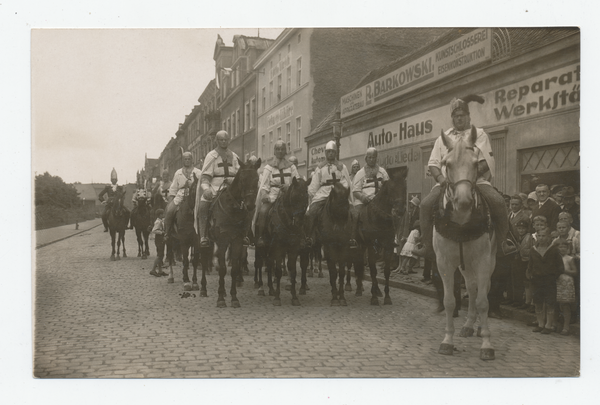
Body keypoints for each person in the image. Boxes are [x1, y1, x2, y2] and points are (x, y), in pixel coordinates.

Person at [420, 95, 509, 259]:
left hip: (476, 180)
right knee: (425, 205)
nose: (459, 118)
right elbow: (433, 163)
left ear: (469, 116)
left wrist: (467, 175)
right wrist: (441, 179)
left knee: (497, 201)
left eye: (462, 115)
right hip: (447, 182)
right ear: (452, 118)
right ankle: (426, 245)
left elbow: (485, 162)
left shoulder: (479, 134)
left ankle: (505, 242)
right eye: (455, 115)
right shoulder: (443, 138)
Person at [195, 130, 242, 248]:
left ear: (229, 141)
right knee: (203, 205)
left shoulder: (235, 156)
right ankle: (203, 235)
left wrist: (235, 180)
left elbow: (239, 173)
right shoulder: (211, 156)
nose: (223, 142)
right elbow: (205, 176)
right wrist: (206, 189)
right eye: (221, 139)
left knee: (246, 204)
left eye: (225, 139)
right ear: (216, 141)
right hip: (215, 186)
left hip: (232, 186)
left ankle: (246, 233)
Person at [305, 140, 354, 247]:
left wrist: (341, 190)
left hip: (338, 193)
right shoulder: (320, 167)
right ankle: (310, 237)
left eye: (332, 151)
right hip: (323, 193)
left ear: (336, 153)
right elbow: (314, 184)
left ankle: (351, 237)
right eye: (328, 151)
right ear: (325, 153)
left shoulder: (342, 167)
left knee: (352, 212)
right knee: (312, 212)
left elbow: (346, 181)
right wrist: (313, 197)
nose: (330, 153)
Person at [253, 141, 301, 248]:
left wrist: (289, 187)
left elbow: (297, 182)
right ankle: (261, 237)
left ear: (285, 151)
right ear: (274, 151)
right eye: (277, 149)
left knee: (300, 213)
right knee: (263, 211)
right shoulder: (268, 168)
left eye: (282, 149)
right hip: (273, 196)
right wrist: (265, 194)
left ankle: (302, 237)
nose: (280, 151)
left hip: (289, 197)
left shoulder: (291, 167)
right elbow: (264, 185)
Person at [527, 227, 563, 334]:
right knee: (538, 302)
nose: (541, 238)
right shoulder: (533, 250)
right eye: (539, 236)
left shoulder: (554, 250)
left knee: (550, 302)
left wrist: (553, 275)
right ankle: (540, 324)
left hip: (549, 280)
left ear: (548, 237)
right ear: (536, 237)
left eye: (544, 236)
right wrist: (530, 274)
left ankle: (548, 325)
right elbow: (530, 265)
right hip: (537, 280)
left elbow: (560, 267)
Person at [351, 147, 390, 247]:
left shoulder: (382, 172)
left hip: (378, 201)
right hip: (364, 201)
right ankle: (353, 239)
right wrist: (363, 198)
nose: (372, 160)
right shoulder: (360, 173)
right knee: (355, 215)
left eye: (374, 157)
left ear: (376, 158)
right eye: (369, 157)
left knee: (390, 215)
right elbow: (355, 190)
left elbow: (387, 187)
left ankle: (391, 239)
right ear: (366, 158)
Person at [164, 151, 202, 241]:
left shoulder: (198, 172)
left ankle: (204, 234)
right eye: (185, 159)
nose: (187, 161)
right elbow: (173, 188)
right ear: (183, 161)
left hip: (194, 195)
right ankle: (167, 232)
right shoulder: (178, 173)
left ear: (192, 160)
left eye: (189, 159)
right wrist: (171, 199)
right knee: (169, 211)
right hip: (180, 195)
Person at [555, 240, 577, 335]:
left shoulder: (569, 259)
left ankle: (566, 327)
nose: (562, 249)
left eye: (565, 247)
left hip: (566, 282)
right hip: (557, 282)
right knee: (556, 304)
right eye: (560, 247)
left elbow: (575, 272)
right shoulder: (555, 258)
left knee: (565, 305)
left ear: (568, 249)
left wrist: (564, 271)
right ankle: (556, 324)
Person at [512, 219, 533, 309]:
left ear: (527, 229)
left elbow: (532, 250)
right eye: (519, 228)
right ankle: (519, 300)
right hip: (519, 261)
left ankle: (527, 302)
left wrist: (522, 250)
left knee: (527, 282)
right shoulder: (517, 237)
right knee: (518, 281)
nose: (521, 230)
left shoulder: (529, 237)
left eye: (523, 228)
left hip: (526, 261)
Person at [98, 168, 121, 232]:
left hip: (118, 204)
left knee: (126, 212)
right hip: (109, 204)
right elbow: (100, 195)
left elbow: (122, 196)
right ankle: (106, 227)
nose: (114, 180)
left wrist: (120, 200)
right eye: (113, 179)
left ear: (117, 180)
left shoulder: (120, 187)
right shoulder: (108, 188)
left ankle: (124, 226)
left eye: (115, 179)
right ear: (111, 180)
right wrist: (103, 201)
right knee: (103, 215)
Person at [149, 209, 168, 277]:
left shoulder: (160, 221)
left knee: (161, 255)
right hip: (159, 239)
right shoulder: (158, 222)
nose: (164, 215)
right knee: (160, 255)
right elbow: (154, 230)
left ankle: (160, 270)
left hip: (160, 239)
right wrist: (161, 232)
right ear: (160, 215)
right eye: (163, 214)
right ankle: (153, 270)